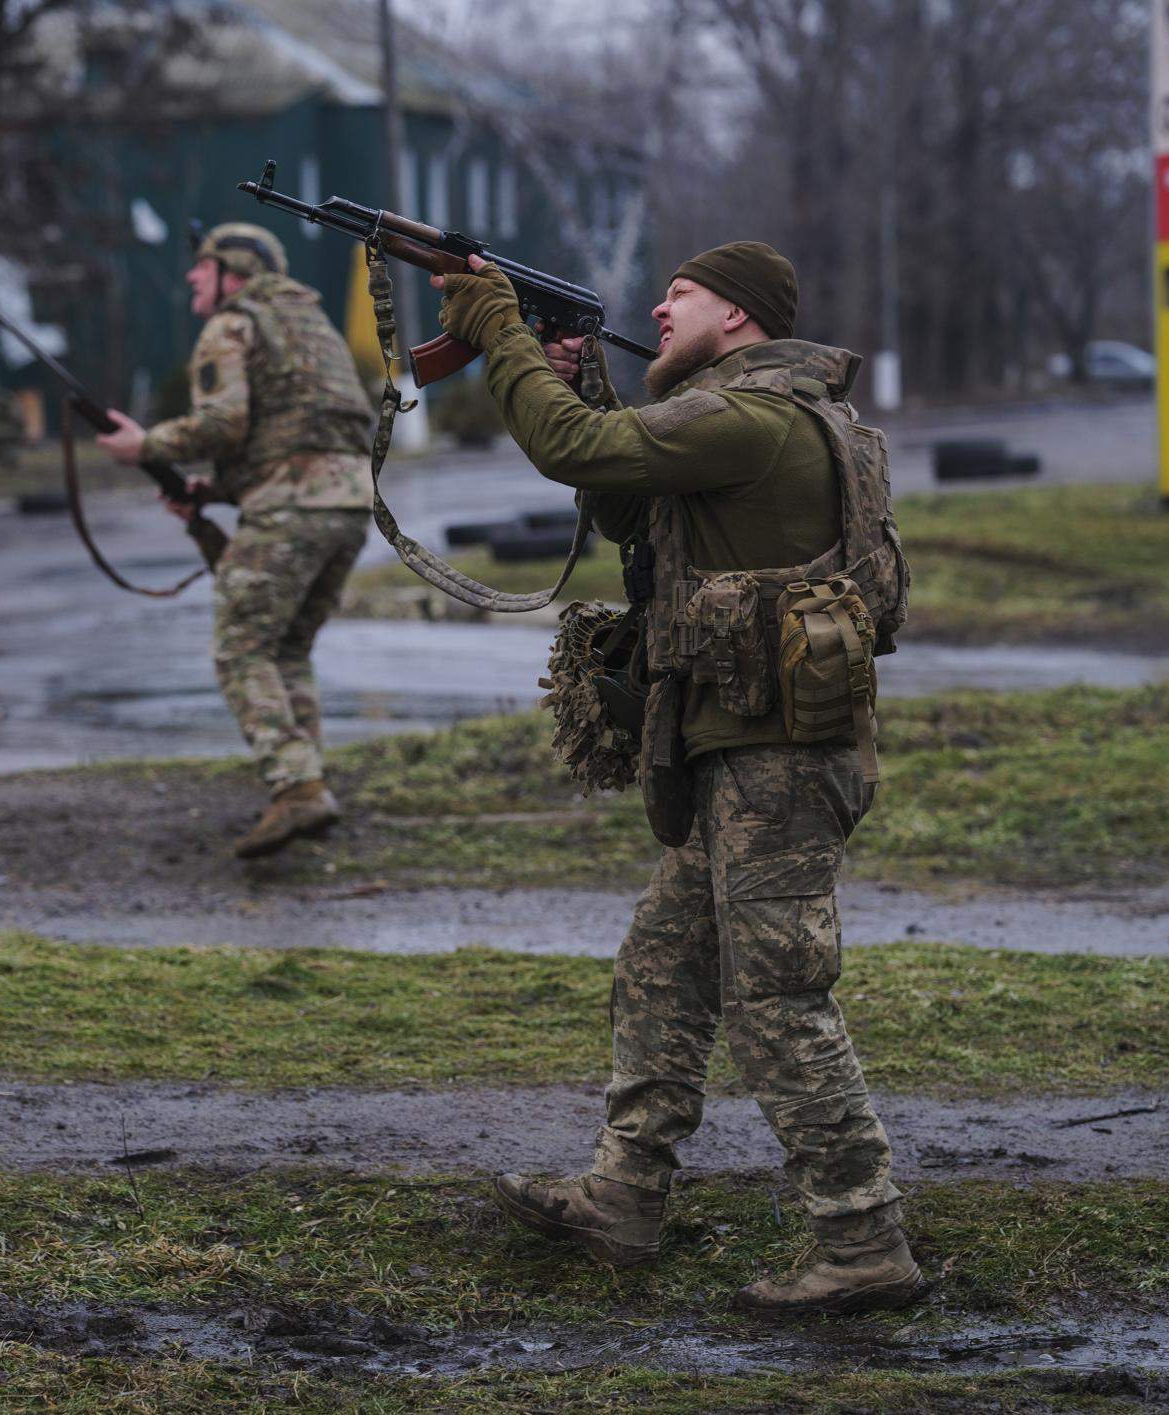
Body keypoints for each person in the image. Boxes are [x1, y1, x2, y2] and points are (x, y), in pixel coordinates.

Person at [433, 242, 921, 1314]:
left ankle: (862, 1238)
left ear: (736, 315)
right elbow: (623, 497)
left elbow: (573, 450)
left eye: (682, 294)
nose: (657, 305)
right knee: (662, 965)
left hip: (775, 766)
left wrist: (496, 328)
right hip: (750, 753)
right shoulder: (740, 418)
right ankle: (623, 1195)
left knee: (780, 999)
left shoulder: (748, 417)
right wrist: (574, 377)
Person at [95, 224, 376, 859]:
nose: (193, 277)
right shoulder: (310, 325)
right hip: (350, 505)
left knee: (240, 651)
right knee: (287, 649)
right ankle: (308, 785)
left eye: (204, 267)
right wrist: (211, 497)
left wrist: (146, 447)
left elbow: (224, 422)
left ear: (235, 274)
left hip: (291, 507)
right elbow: (299, 431)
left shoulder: (234, 324)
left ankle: (298, 787)